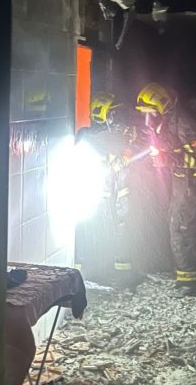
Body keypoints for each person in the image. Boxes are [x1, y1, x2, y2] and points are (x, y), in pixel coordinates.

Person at [134, 82, 196, 297]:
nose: (149, 118)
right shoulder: (169, 120)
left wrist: (168, 158)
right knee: (177, 222)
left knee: (180, 226)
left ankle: (189, 282)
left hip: (192, 182)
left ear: (163, 106)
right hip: (181, 180)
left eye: (151, 112)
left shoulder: (185, 123)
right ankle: (185, 276)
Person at [74, 92, 139, 288]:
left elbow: (125, 154)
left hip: (113, 196)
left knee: (118, 231)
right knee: (93, 233)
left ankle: (119, 274)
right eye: (113, 114)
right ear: (101, 114)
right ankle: (88, 273)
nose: (118, 120)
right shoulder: (93, 137)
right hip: (97, 199)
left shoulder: (111, 137)